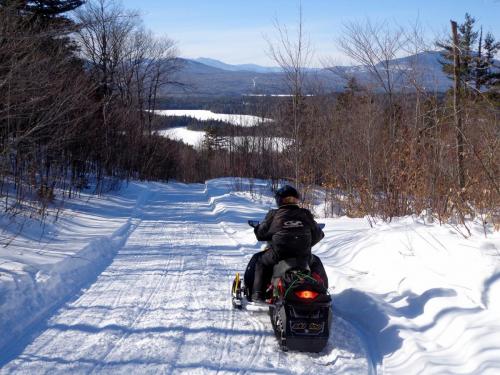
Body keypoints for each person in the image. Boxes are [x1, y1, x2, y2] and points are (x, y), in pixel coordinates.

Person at [251, 185, 324, 302]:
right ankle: (322, 290)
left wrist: (258, 229)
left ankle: (257, 294)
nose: (290, 201)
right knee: (316, 262)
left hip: (279, 255)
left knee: (260, 262)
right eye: (289, 199)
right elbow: (318, 235)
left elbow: (260, 234)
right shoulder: (305, 214)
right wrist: (306, 243)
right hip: (303, 256)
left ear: (279, 200)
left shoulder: (273, 214)